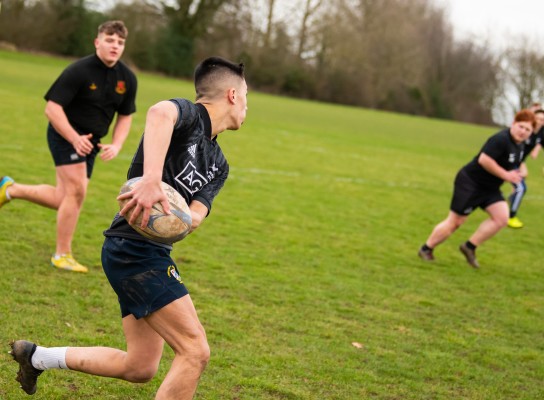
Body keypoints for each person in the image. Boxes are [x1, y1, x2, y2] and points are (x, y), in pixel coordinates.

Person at [10, 56, 248, 399]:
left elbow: (196, 215)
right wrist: (150, 180)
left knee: (140, 366)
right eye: (246, 97)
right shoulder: (188, 115)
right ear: (231, 95)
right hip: (133, 251)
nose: (246, 107)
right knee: (195, 351)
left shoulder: (219, 164)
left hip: (144, 251)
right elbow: (158, 113)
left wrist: (179, 217)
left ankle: (37, 357)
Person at [0, 20, 137, 273]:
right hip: (65, 135)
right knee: (76, 193)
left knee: (63, 197)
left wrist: (117, 144)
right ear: (97, 42)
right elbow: (51, 109)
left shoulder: (127, 78)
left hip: (91, 143)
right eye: (109, 40)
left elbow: (126, 116)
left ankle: (10, 189)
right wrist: (74, 137)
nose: (114, 46)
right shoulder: (79, 70)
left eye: (120, 42)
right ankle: (62, 254)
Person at [418, 109, 535, 268]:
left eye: (528, 130)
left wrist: (517, 178)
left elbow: (512, 165)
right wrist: (506, 176)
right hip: (471, 183)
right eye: (521, 126)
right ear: (513, 124)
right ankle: (426, 249)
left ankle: (469, 247)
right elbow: (484, 160)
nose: (523, 132)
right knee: (456, 221)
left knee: (501, 218)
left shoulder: (520, 146)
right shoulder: (500, 139)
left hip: (490, 188)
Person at [507, 108, 544, 228]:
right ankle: (511, 217)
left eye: (542, 119)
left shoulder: (541, 133)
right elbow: (516, 149)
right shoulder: (525, 132)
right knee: (521, 188)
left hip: (517, 163)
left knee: (520, 188)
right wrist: (522, 166)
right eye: (537, 118)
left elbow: (540, 144)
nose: (539, 121)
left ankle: (509, 202)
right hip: (508, 161)